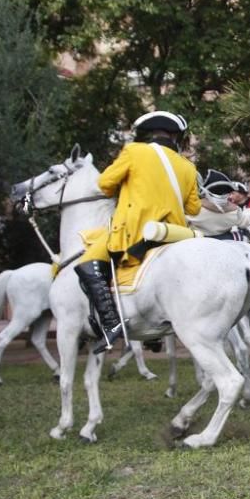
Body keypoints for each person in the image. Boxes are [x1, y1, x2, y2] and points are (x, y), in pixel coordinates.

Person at [74, 110, 201, 352]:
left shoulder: (134, 151)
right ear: (175, 137)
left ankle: (111, 325)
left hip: (134, 232)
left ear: (149, 134)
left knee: (88, 262)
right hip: (173, 234)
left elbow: (104, 184)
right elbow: (193, 208)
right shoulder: (187, 166)